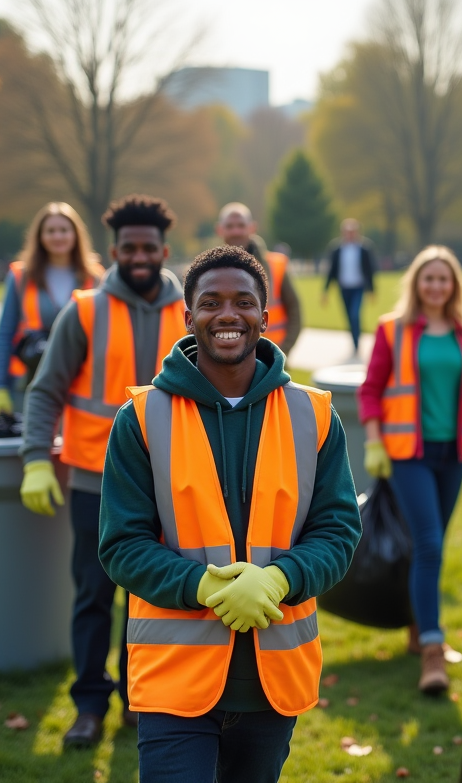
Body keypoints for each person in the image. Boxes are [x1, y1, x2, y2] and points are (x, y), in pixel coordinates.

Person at [99, 246, 361, 782]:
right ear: (187, 314)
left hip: (272, 682)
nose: (227, 315)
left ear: (266, 317)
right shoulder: (142, 418)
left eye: (244, 302)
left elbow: (337, 530)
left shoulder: (313, 414)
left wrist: (280, 578)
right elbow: (122, 545)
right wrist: (203, 587)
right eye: (210, 301)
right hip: (173, 681)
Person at [18, 194, 187, 748]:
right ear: (113, 251)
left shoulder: (190, 310)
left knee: (154, 597)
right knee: (94, 594)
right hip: (94, 482)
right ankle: (89, 704)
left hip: (172, 484)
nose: (139, 256)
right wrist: (37, 460)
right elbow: (44, 392)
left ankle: (140, 698)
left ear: (164, 251)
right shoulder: (84, 310)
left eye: (149, 248)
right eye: (129, 247)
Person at [356, 246, 462, 695]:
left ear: (454, 286)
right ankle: (432, 648)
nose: (436, 286)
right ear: (416, 283)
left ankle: (415, 625)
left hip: (454, 453)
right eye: (429, 278)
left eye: (444, 279)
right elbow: (371, 390)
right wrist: (373, 440)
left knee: (432, 545)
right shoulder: (394, 330)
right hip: (409, 453)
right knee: (428, 545)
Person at [0, 202, 102, 416]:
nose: (57, 236)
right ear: (39, 236)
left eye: (64, 230)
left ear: (76, 234)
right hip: (27, 384)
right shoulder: (20, 276)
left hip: (79, 385)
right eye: (50, 231)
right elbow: (4, 333)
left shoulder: (95, 277)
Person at [215, 202, 303, 356]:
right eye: (230, 226)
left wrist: (283, 351)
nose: (236, 231)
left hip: (272, 357)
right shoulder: (208, 271)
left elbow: (294, 310)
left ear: (252, 227)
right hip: (226, 360)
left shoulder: (277, 265)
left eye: (241, 225)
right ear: (220, 229)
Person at [321, 218, 376, 355]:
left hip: (358, 287)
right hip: (344, 288)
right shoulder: (337, 249)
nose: (350, 234)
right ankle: (354, 341)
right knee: (348, 316)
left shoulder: (364, 248)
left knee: (354, 314)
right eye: (347, 232)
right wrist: (326, 291)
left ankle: (357, 343)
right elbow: (332, 270)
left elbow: (370, 270)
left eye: (352, 232)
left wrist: (372, 290)